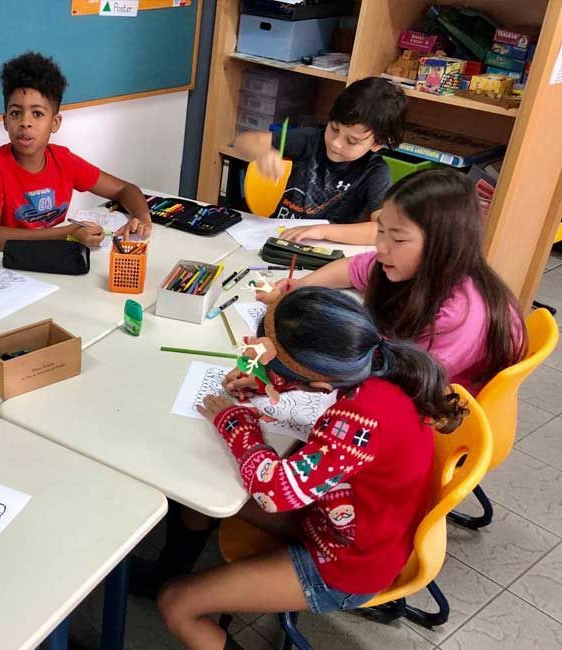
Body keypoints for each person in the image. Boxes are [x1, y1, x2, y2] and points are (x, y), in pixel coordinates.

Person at [158, 287, 464, 649]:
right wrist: (264, 383)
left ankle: (170, 582)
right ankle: (168, 568)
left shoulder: (361, 417)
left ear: (320, 382)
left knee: (176, 603)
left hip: (348, 562)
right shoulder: (375, 363)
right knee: (200, 496)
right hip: (341, 522)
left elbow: (274, 492)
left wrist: (235, 422)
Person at [264, 167, 525, 395]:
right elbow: (351, 268)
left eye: (398, 239)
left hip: (435, 412)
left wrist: (291, 377)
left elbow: (402, 383)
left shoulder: (458, 316)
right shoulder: (408, 265)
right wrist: (300, 288)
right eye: (380, 232)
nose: (381, 247)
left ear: (442, 245)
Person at [0, 51, 153, 254]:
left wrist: (142, 219)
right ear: (5, 121)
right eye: (16, 113)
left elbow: (125, 189)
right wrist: (66, 233)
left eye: (37, 114)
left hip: (53, 260)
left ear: (55, 122)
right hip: (6, 269)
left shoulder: (63, 161)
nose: (25, 123)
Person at [233, 77, 407, 245]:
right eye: (334, 128)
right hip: (277, 238)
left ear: (377, 144)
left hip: (325, 249)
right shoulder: (311, 139)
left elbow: (382, 230)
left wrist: (321, 230)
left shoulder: (374, 170)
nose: (336, 143)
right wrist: (264, 153)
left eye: (352, 141)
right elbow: (243, 141)